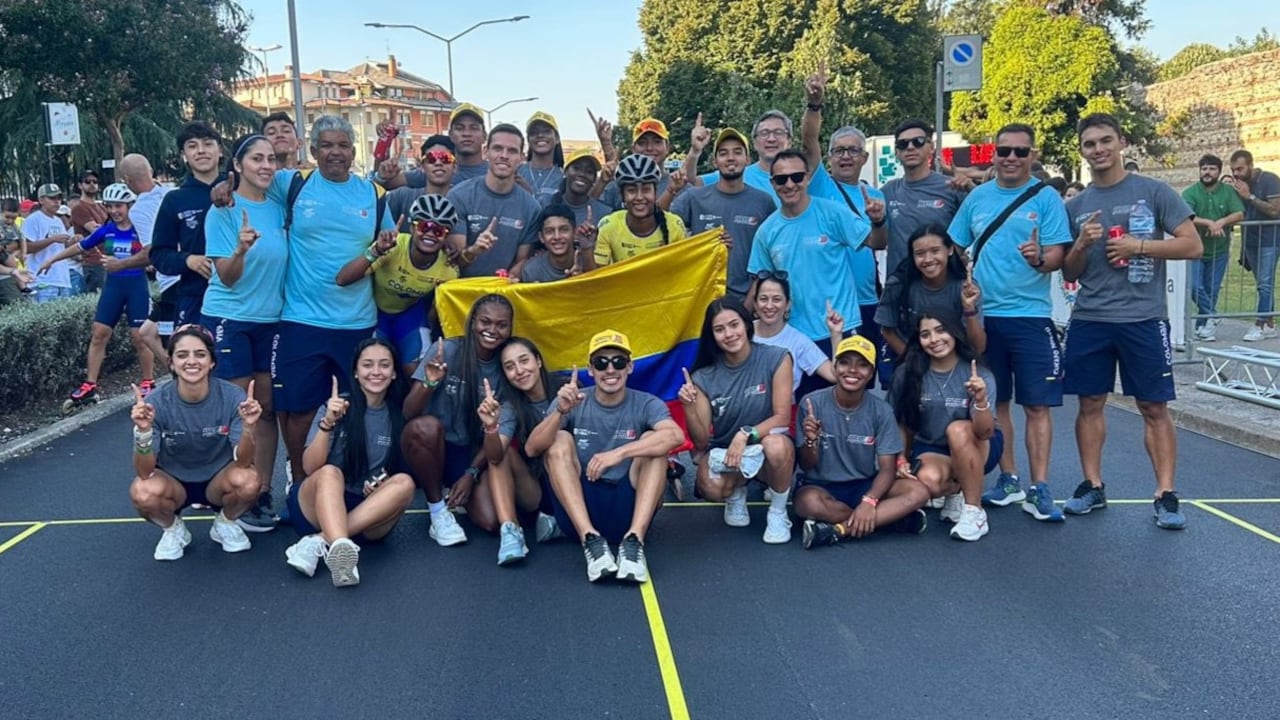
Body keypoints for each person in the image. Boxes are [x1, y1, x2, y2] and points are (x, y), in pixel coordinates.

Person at [1062, 113, 1201, 530]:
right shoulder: (1075, 206)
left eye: (1106, 140)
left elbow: (1192, 245)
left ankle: (1166, 493)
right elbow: (1069, 272)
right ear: (1082, 151)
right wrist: (1081, 245)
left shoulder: (1153, 192)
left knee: (1153, 406)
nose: (1099, 149)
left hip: (1143, 317)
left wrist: (1138, 246)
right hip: (1091, 317)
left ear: (1122, 142)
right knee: (1089, 403)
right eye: (1090, 144)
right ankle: (1092, 484)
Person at [948, 124, 1071, 521]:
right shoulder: (978, 197)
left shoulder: (1046, 198)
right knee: (996, 402)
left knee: (1037, 405)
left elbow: (1058, 255)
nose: (1012, 158)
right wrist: (967, 272)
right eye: (1005, 151)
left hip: (1031, 316)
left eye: (1021, 151)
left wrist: (1039, 257)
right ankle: (1009, 478)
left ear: (1032, 155)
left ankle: (1040, 487)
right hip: (986, 317)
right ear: (994, 154)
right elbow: (955, 243)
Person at [526, 329, 684, 583]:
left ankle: (634, 543)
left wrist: (620, 453)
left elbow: (675, 436)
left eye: (618, 362)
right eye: (601, 363)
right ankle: (591, 541)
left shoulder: (647, 403)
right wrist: (559, 413)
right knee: (558, 439)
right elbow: (532, 449)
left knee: (654, 445)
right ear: (591, 370)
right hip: (581, 511)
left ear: (630, 367)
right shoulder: (572, 400)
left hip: (627, 508)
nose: (610, 369)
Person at [202, 134, 289, 532]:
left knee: (266, 408)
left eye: (271, 159)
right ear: (237, 165)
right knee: (240, 409)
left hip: (271, 320)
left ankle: (261, 490)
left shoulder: (279, 204)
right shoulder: (222, 209)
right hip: (230, 318)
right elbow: (227, 277)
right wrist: (239, 250)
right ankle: (234, 491)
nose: (266, 166)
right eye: (256, 159)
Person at [285, 339, 416, 587]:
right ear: (355, 372)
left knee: (405, 483)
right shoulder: (336, 405)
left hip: (366, 515)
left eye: (384, 365)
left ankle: (320, 542)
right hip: (316, 506)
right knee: (330, 472)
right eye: (367, 365)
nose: (376, 372)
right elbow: (310, 467)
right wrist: (328, 423)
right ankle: (338, 547)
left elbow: (396, 473)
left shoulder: (398, 414)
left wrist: (381, 486)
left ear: (394, 372)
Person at [127, 325, 261, 561]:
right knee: (142, 491)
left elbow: (243, 461)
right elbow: (144, 472)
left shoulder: (234, 397)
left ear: (212, 362)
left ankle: (225, 522)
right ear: (171, 363)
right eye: (182, 355)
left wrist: (249, 427)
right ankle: (173, 529)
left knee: (249, 481)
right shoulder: (154, 403)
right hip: (173, 483)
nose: (191, 361)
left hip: (218, 480)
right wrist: (143, 431)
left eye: (200, 354)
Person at [747, 149, 869, 398]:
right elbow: (760, 284)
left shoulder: (832, 213)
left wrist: (878, 221)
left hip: (840, 327)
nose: (789, 184)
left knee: (849, 404)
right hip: (793, 335)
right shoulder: (767, 231)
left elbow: (876, 241)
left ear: (808, 177)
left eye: (796, 177)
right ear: (773, 183)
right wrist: (737, 320)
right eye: (781, 179)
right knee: (803, 409)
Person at [402, 294, 515, 546]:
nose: (492, 330)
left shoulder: (506, 365)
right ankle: (437, 511)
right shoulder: (447, 350)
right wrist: (429, 383)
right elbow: (409, 412)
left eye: (501, 325)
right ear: (473, 321)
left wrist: (471, 473)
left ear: (510, 329)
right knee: (424, 427)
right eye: (485, 321)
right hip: (432, 445)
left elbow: (498, 431)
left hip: (470, 453)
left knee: (490, 520)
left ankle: (452, 488)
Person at [680, 297, 795, 543]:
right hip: (727, 452)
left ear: (747, 324)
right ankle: (736, 491)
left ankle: (778, 512)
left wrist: (745, 434)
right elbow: (701, 442)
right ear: (712, 336)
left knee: (777, 446)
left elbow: (782, 417)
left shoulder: (777, 357)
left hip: (764, 446)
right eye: (719, 329)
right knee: (710, 486)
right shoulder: (703, 376)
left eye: (734, 325)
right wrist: (688, 407)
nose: (729, 334)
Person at [796, 336, 928, 548]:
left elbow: (887, 468)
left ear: (871, 373)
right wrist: (811, 442)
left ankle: (840, 530)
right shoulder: (811, 403)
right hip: (821, 487)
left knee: (919, 491)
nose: (852, 370)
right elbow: (806, 465)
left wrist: (869, 501)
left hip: (864, 485)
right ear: (835, 367)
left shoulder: (881, 410)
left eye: (862, 365)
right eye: (845, 362)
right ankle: (888, 521)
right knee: (808, 504)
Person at [38, 183, 156, 406]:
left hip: (136, 286)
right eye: (110, 206)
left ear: (129, 205)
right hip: (113, 287)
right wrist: (53, 259)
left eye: (119, 206)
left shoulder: (141, 229)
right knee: (99, 333)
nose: (114, 211)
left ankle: (148, 381)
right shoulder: (107, 230)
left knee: (140, 336)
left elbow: (153, 252)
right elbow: (81, 246)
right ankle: (90, 385)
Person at [800, 70, 889, 356]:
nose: (846, 156)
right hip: (829, 302)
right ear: (829, 157)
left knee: (863, 371)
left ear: (865, 157)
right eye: (839, 151)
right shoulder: (820, 183)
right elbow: (808, 142)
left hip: (866, 300)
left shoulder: (876, 196)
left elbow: (881, 243)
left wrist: (878, 221)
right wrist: (814, 105)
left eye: (853, 150)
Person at [889, 314, 1001, 542]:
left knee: (957, 430)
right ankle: (956, 491)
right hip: (933, 448)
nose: (934, 339)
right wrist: (900, 459)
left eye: (941, 330)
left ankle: (974, 511)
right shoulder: (907, 372)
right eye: (925, 334)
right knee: (927, 482)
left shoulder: (978, 373)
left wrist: (980, 399)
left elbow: (985, 432)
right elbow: (900, 422)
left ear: (955, 333)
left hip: (979, 445)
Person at [341, 193, 461, 377]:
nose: (430, 234)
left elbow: (437, 307)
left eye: (439, 231)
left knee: (417, 371)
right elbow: (343, 279)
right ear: (412, 227)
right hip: (374, 312)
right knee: (372, 366)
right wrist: (376, 250)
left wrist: (427, 326)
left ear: (447, 236)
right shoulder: (393, 246)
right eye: (424, 226)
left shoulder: (448, 268)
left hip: (409, 315)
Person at [475, 337, 566, 564]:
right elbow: (494, 456)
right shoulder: (509, 406)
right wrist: (491, 427)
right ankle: (511, 532)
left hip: (572, 482)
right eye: (510, 367)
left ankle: (566, 521)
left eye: (524, 361)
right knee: (502, 454)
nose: (519, 371)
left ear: (538, 361)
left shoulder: (566, 390)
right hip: (536, 492)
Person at [671, 127, 776, 299]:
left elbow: (772, 254)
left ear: (748, 160)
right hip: (700, 298)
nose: (730, 158)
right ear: (715, 162)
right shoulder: (694, 198)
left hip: (745, 300)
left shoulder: (764, 202)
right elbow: (661, 226)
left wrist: (751, 304)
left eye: (737, 152)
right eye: (723, 153)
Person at [876, 225, 985, 386]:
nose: (928, 259)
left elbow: (978, 347)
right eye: (920, 254)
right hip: (913, 367)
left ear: (950, 250)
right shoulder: (899, 285)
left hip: (958, 368)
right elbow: (887, 331)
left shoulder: (966, 288)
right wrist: (916, 364)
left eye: (935, 251)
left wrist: (969, 309)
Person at [149, 121, 224, 326]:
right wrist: (188, 260)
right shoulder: (175, 200)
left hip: (244, 296)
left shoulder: (240, 191)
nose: (201, 151)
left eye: (208, 144)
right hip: (195, 297)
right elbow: (159, 255)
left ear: (220, 151)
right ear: (184, 155)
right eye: (192, 146)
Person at [445, 123, 543, 279]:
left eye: (512, 151)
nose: (504, 155)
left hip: (504, 290)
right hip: (461, 289)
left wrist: (513, 275)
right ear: (486, 152)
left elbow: (521, 260)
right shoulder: (459, 196)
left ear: (522, 159)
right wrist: (474, 251)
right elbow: (453, 263)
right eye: (498, 148)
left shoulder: (532, 208)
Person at [881, 119, 970, 275]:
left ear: (931, 147)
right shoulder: (887, 191)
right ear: (896, 152)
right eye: (903, 144)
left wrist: (972, 188)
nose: (910, 147)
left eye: (918, 142)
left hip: (942, 284)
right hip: (900, 284)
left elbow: (979, 227)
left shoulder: (952, 187)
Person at [118, 153, 175, 364]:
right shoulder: (173, 192)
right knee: (147, 332)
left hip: (172, 281)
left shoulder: (139, 209)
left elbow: (152, 251)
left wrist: (120, 264)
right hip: (192, 272)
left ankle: (181, 376)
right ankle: (178, 374)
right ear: (150, 170)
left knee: (170, 341)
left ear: (126, 179)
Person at [1182, 154, 1246, 341]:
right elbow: (1187, 216)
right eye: (1204, 169)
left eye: (1211, 169)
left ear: (1219, 171)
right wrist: (1209, 223)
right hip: (1195, 249)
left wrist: (1221, 222)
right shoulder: (1190, 192)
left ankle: (1204, 328)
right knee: (1194, 286)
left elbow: (1239, 213)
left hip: (1219, 250)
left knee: (1212, 290)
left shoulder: (1228, 191)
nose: (1207, 172)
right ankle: (1213, 315)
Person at [589, 154, 689, 269]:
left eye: (646, 190)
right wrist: (586, 248)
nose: (639, 197)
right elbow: (598, 274)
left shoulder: (675, 225)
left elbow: (684, 270)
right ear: (622, 195)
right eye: (632, 190)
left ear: (655, 192)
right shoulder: (608, 226)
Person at [751, 271, 843, 393]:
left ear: (788, 304)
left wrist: (836, 334)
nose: (769, 306)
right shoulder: (743, 333)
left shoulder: (798, 341)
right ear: (755, 304)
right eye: (763, 299)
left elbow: (834, 376)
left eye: (777, 299)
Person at [1226, 149, 1280, 341]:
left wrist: (1249, 196)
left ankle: (1259, 324)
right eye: (1233, 170)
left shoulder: (1269, 180)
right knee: (1262, 284)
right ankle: (1270, 324)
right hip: (1250, 240)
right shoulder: (1239, 185)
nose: (1236, 173)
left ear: (1250, 165)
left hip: (1270, 240)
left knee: (1265, 283)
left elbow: (1275, 210)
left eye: (1240, 169)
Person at [684, 110, 794, 203]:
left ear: (789, 141)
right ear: (754, 143)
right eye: (764, 133)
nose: (771, 139)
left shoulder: (800, 179)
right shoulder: (736, 174)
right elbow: (688, 182)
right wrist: (695, 151)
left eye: (778, 132)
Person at [382, 103, 489, 188]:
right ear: (450, 135)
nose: (466, 133)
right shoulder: (436, 169)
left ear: (485, 136)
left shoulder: (494, 172)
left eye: (474, 128)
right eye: (460, 128)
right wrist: (383, 140)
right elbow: (383, 184)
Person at [598, 118, 675, 211]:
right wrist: (601, 182)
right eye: (642, 143)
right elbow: (590, 210)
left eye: (657, 142)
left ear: (667, 147)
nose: (649, 148)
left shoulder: (679, 186)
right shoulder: (616, 186)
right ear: (633, 149)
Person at [384, 135, 457, 232]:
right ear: (422, 167)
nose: (438, 163)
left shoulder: (464, 202)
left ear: (455, 167)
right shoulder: (402, 197)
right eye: (431, 159)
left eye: (445, 159)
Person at [23, 183, 75, 303]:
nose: (57, 202)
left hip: (62, 278)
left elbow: (62, 247)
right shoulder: (33, 219)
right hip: (42, 280)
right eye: (52, 198)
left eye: (59, 198)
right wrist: (52, 239)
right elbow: (27, 247)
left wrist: (73, 241)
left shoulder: (58, 220)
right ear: (41, 200)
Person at [521, 205, 585, 283]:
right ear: (541, 237)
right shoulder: (532, 270)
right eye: (549, 231)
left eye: (564, 230)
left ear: (575, 233)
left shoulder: (587, 262)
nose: (557, 237)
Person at [546, 148, 612, 224]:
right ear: (565, 171)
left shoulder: (605, 213)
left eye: (589, 171)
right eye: (576, 168)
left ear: (594, 179)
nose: (582, 174)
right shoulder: (548, 205)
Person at [69, 170, 108, 294]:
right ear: (80, 185)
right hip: (93, 262)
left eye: (95, 181)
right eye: (87, 181)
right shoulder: (79, 208)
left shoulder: (102, 207)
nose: (92, 184)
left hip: (108, 259)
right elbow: (97, 232)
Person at [517, 111, 564, 205]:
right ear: (528, 140)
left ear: (557, 138)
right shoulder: (516, 173)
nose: (540, 135)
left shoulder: (564, 178)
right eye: (534, 132)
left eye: (547, 131)